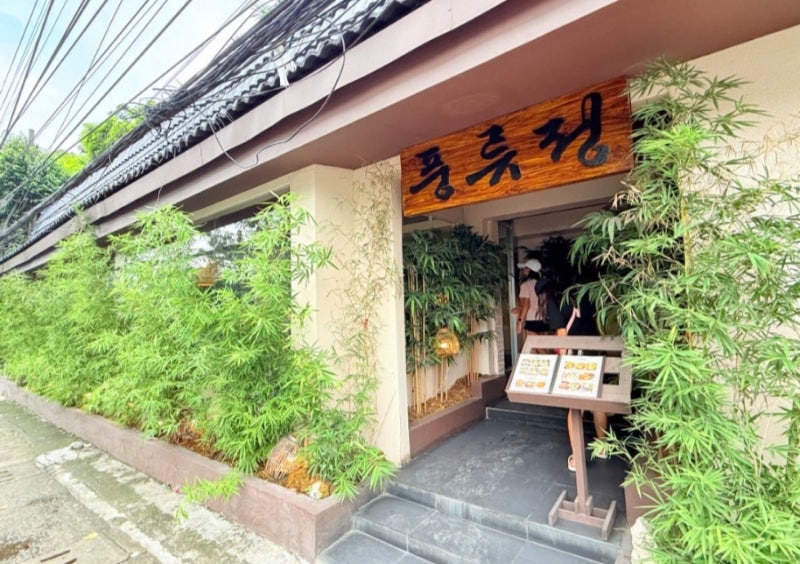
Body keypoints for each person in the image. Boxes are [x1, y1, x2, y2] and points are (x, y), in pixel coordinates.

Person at [537, 278, 609, 472]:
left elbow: (562, 336)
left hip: (576, 357)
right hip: (595, 352)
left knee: (575, 408)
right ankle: (603, 447)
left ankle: (577, 458)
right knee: (597, 402)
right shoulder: (584, 297)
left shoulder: (554, 303)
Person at [514, 258, 547, 337]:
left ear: (530, 270)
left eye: (525, 268)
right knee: (543, 345)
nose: (523, 270)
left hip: (532, 318)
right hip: (544, 317)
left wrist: (519, 321)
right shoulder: (543, 284)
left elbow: (526, 305)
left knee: (534, 345)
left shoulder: (526, 285)